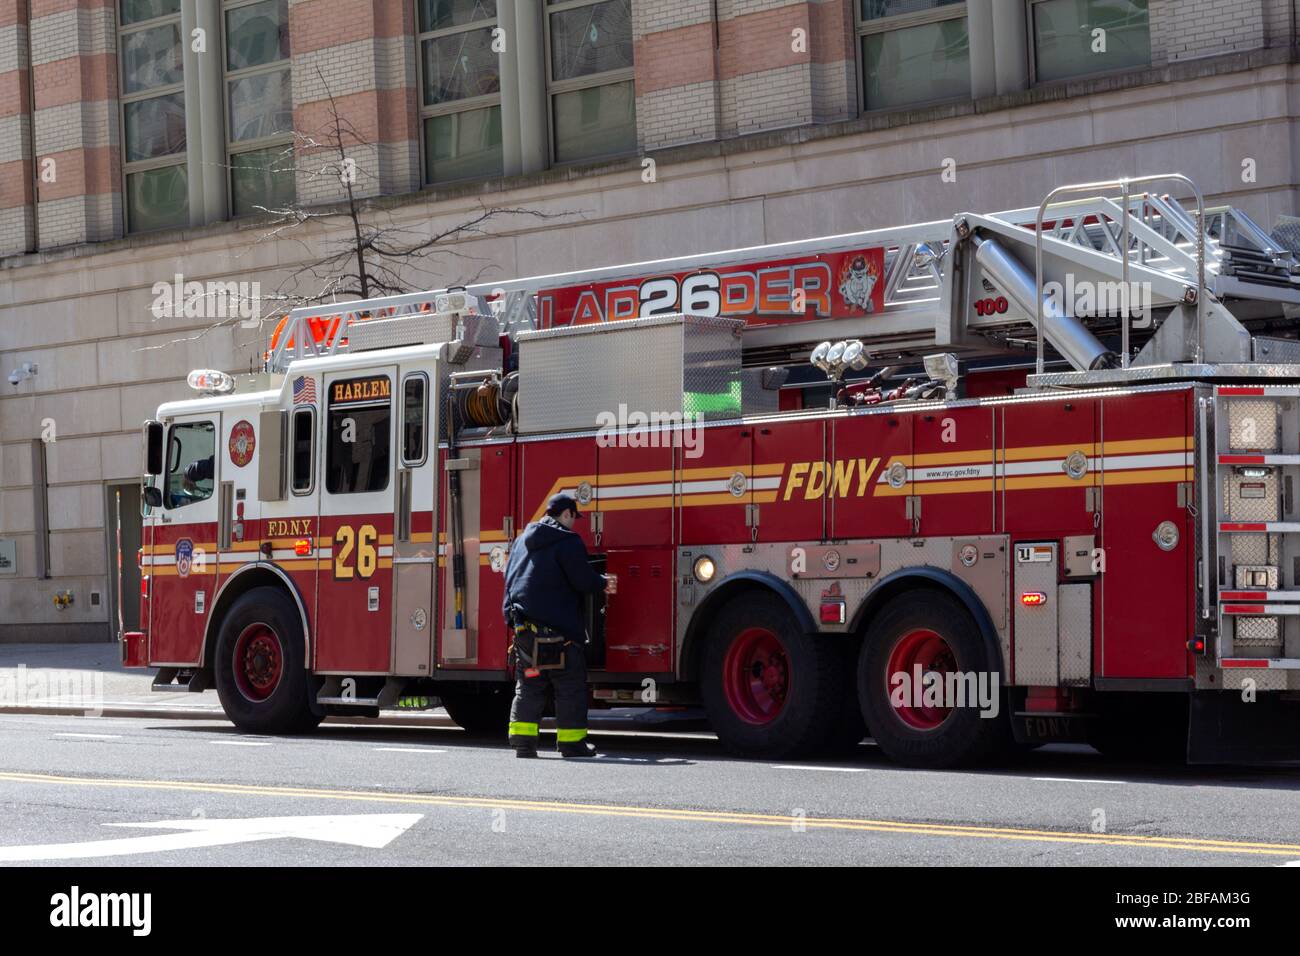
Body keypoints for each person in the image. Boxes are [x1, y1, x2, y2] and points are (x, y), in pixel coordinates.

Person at [503, 493, 612, 758]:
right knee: (569, 686)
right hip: (560, 636)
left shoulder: (520, 541)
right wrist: (603, 581)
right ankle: (571, 744)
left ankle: (523, 744)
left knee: (530, 684)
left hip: (526, 635)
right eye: (575, 517)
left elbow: (509, 581)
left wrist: (511, 620)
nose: (575, 524)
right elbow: (582, 580)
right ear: (566, 514)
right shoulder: (568, 542)